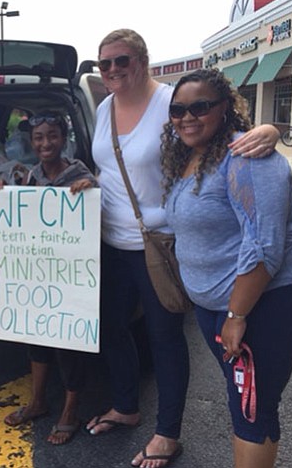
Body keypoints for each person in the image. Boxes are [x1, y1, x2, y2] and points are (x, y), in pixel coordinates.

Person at [87, 29, 280, 468]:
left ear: (143, 60)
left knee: (164, 338)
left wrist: (270, 130)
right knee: (111, 327)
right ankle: (125, 405)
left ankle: (167, 434)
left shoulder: (172, 103)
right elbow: (103, 166)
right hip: (109, 240)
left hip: (160, 243)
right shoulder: (103, 108)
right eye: (106, 64)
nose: (114, 69)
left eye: (123, 60)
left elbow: (222, 133)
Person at [161, 68, 292, 468]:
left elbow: (265, 246)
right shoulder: (190, 157)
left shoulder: (248, 157)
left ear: (225, 109)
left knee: (252, 407)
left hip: (267, 301)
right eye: (178, 109)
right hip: (219, 304)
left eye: (200, 106)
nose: (187, 117)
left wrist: (236, 315)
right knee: (245, 400)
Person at [0, 111, 97, 445]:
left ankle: (71, 409)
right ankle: (38, 401)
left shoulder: (80, 173)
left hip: (70, 277)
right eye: (38, 137)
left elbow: (95, 214)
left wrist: (87, 192)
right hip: (39, 276)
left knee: (69, 344)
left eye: (52, 136)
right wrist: (3, 199)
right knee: (37, 339)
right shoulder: (32, 176)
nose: (45, 143)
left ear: (63, 138)